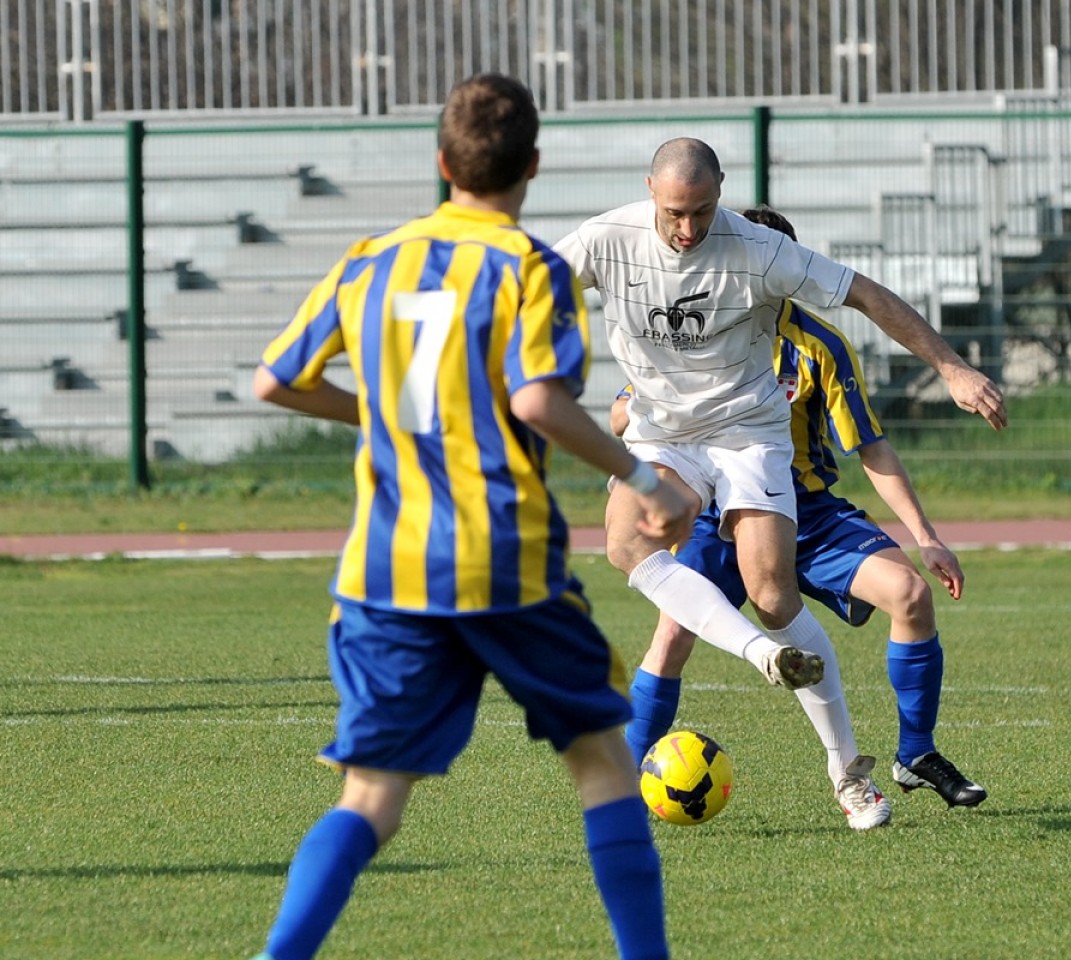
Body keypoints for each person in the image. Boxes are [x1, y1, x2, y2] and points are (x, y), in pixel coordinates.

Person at [246, 74, 688, 960]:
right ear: (532, 164)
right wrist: (645, 477)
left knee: (370, 796)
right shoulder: (527, 267)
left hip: (386, 569)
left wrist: (375, 409)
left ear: (442, 162)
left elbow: (275, 379)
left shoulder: (369, 259)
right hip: (505, 562)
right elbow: (537, 401)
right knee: (601, 762)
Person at [553, 140, 1007, 829]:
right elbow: (520, 287)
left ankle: (849, 774)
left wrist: (949, 367)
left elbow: (867, 295)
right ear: (650, 190)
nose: (688, 229)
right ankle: (760, 656)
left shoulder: (758, 249)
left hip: (747, 435)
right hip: (665, 434)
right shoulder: (604, 240)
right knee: (629, 542)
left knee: (771, 592)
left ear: (722, 193)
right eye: (675, 213)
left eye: (702, 212)